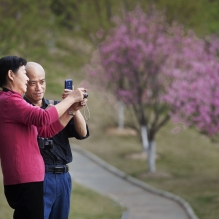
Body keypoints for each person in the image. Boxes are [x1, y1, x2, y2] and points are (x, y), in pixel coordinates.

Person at [0, 56, 86, 219]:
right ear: (11, 75)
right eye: (25, 74)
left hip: (30, 178)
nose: (27, 79)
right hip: (25, 178)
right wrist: (70, 99)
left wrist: (72, 109)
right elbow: (44, 118)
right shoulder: (10, 101)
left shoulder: (13, 101)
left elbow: (46, 130)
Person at [24, 62, 89, 219]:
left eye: (42, 81)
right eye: (33, 83)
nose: (39, 87)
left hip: (63, 177)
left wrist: (73, 107)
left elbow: (82, 133)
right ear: (24, 83)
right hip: (39, 176)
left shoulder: (58, 107)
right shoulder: (22, 110)